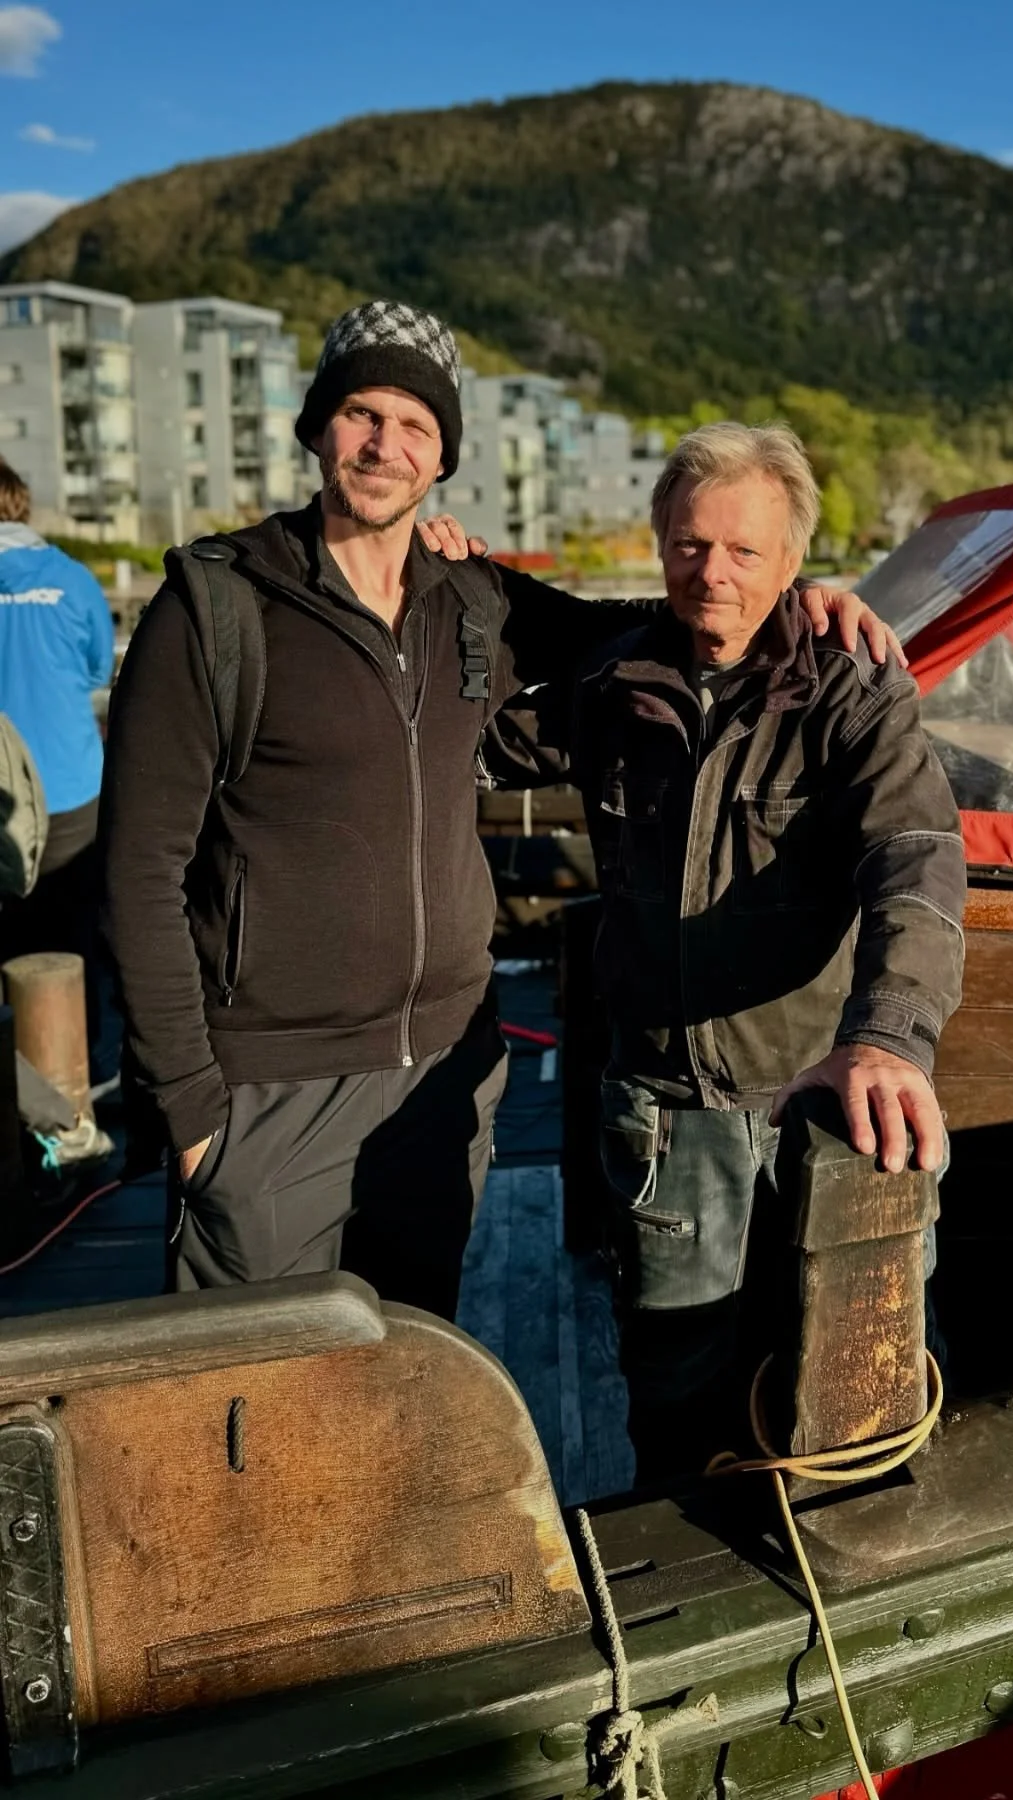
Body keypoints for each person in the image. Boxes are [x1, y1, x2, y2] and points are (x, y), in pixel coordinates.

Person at [100, 301, 900, 1320]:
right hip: (268, 1092)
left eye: (415, 426)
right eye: (362, 414)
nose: (385, 445)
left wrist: (799, 596)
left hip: (445, 1079)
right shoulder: (215, 610)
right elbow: (139, 874)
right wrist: (189, 1111)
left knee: (415, 1373)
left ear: (442, 459)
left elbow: (666, 621)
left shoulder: (474, 602)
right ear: (316, 428)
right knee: (250, 1417)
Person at [489, 422, 966, 1479]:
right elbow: (463, 717)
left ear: (796, 563)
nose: (714, 576)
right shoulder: (610, 680)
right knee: (675, 1383)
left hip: (817, 1092)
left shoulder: (854, 689)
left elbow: (916, 855)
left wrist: (890, 1034)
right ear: (660, 546)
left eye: (746, 552)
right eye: (690, 545)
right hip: (667, 1108)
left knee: (856, 1373)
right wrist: (443, 565)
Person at [0, 459, 115, 982]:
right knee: (73, 946)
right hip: (70, 791)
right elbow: (96, 669)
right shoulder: (72, 578)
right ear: (21, 503)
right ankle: (78, 1056)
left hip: (7, 801)